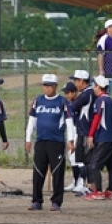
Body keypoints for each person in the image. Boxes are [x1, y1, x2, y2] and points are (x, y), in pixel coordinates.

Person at [25, 74, 76, 211]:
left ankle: (56, 201)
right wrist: (28, 139)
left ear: (55, 86)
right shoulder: (38, 101)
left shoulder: (62, 102)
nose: (47, 88)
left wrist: (70, 140)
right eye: (45, 85)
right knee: (38, 172)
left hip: (56, 142)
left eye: (50, 86)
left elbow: (69, 122)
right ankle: (36, 200)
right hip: (41, 141)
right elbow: (32, 120)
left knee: (57, 173)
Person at [85, 76, 112, 201]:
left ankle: (98, 192)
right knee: (111, 166)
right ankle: (110, 191)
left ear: (99, 87)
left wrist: (91, 135)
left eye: (95, 86)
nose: (94, 88)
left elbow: (97, 119)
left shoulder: (100, 101)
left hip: (103, 139)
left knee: (94, 165)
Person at [69, 70, 96, 196]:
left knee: (86, 160)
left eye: (76, 81)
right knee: (85, 160)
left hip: (85, 130)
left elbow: (72, 108)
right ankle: (87, 185)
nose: (75, 84)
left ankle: (89, 186)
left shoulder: (86, 94)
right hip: (85, 130)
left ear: (82, 81)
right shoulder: (90, 92)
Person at [61, 81, 82, 192]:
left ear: (74, 92)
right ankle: (75, 181)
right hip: (71, 130)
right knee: (72, 157)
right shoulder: (68, 104)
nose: (66, 95)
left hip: (79, 130)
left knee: (79, 158)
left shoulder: (79, 103)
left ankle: (81, 182)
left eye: (68, 92)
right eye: (65, 93)